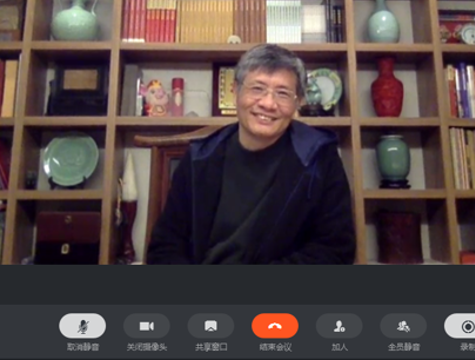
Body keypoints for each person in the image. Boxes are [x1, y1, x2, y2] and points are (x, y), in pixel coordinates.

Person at [147, 44, 356, 264]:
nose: (268, 103)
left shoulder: (318, 157)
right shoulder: (199, 158)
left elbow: (335, 249)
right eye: (257, 89)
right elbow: (165, 246)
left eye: (283, 93)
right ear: (235, 91)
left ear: (298, 102)